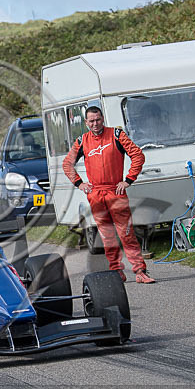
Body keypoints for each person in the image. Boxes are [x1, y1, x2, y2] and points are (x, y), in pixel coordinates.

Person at [62, 106, 156, 284]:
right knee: (106, 235)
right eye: (91, 121)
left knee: (126, 233)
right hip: (96, 194)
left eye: (97, 119)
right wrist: (80, 183)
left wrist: (128, 180)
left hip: (116, 191)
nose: (95, 124)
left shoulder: (116, 135)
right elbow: (67, 164)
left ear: (102, 118)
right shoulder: (82, 140)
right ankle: (116, 272)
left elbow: (137, 155)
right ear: (86, 122)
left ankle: (140, 271)